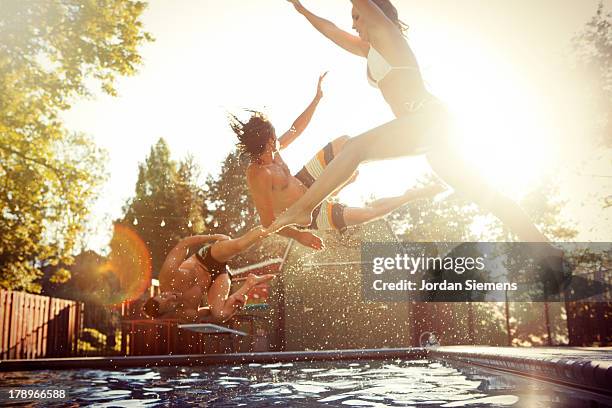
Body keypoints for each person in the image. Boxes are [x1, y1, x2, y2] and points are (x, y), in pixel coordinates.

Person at [267, 0, 566, 288]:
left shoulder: (387, 32)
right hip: (429, 132)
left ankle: (305, 208)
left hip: (427, 120)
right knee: (486, 195)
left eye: (357, 16)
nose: (353, 23)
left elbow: (360, 11)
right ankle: (548, 252)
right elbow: (331, 30)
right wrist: (301, 8)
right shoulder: (369, 49)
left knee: (355, 148)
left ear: (374, 13)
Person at [231, 74, 445, 248]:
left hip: (307, 181)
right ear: (267, 143)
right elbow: (268, 222)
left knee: (345, 143)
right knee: (367, 214)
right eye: (274, 138)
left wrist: (316, 100)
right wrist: (299, 236)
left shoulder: (273, 150)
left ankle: (338, 181)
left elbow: (295, 130)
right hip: (308, 214)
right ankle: (408, 196)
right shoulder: (258, 174)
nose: (278, 140)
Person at [142, 227, 275, 323]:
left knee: (239, 245)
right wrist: (234, 307)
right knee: (219, 314)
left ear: (159, 293)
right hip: (217, 278)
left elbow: (184, 244)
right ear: (168, 312)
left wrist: (214, 237)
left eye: (164, 296)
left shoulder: (166, 277)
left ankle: (273, 225)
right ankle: (250, 283)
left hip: (206, 258)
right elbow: (213, 313)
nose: (171, 296)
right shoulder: (187, 313)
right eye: (170, 303)